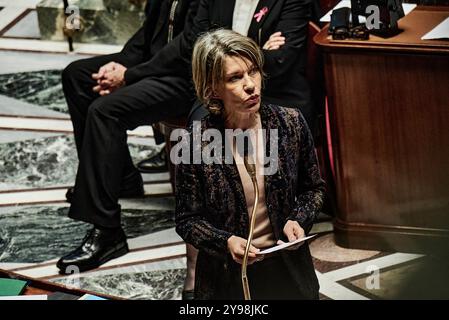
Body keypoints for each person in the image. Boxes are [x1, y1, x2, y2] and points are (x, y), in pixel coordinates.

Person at [175, 29, 325, 299]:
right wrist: (226, 242)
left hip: (288, 269)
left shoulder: (290, 123)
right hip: (228, 277)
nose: (250, 85)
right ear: (212, 88)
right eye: (235, 77)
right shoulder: (195, 143)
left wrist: (298, 219)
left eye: (253, 71)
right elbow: (188, 220)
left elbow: (313, 189)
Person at [56, 0, 200, 275]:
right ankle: (122, 179)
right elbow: (150, 32)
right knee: (76, 76)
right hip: (157, 69)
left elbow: (190, 44)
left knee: (105, 112)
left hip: (189, 81)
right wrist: (120, 65)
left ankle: (108, 231)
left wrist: (130, 75)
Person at [136, 0, 315, 172]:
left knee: (276, 129)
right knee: (203, 125)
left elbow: (281, 60)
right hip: (222, 89)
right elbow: (198, 45)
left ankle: (265, 197)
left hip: (275, 90)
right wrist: (257, 49)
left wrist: (226, 57)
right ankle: (213, 196)